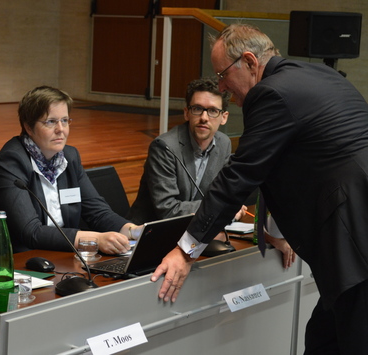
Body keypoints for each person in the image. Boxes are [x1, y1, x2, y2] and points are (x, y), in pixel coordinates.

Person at [151, 23, 368, 354]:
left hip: (355, 244)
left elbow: (239, 177)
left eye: (223, 74)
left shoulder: (272, 93)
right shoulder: (321, 77)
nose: (222, 87)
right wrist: (272, 229)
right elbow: (296, 167)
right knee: (323, 338)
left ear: (250, 62)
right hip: (354, 234)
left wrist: (185, 250)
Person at [0, 86, 140, 261]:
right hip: (11, 261)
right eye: (50, 122)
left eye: (65, 120)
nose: (61, 129)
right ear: (28, 127)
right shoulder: (10, 162)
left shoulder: (69, 157)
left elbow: (97, 212)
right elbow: (31, 232)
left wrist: (133, 230)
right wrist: (94, 239)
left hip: (59, 255)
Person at [127, 77, 234, 224]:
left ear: (224, 117)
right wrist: (221, 207)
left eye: (213, 111)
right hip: (152, 235)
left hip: (196, 229)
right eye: (197, 109)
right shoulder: (164, 147)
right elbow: (168, 210)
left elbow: (224, 193)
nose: (204, 118)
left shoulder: (224, 144)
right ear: (186, 113)